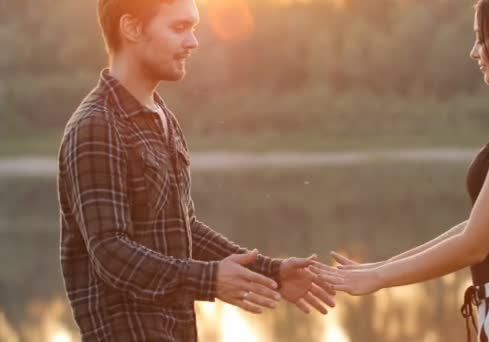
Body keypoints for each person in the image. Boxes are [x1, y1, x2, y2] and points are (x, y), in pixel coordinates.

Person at [313, 0, 489, 340]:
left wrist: (380, 279)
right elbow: (477, 227)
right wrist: (378, 268)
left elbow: (475, 245)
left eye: (481, 38)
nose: (474, 52)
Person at [57, 0, 334, 340]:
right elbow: (110, 253)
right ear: (131, 28)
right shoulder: (96, 126)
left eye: (193, 28)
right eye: (179, 28)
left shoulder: (160, 116)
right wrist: (210, 280)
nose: (193, 42)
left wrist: (271, 271)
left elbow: (184, 229)